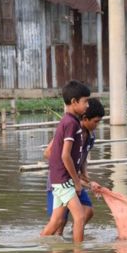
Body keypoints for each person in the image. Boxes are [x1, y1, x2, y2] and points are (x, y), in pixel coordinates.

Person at [40, 80, 93, 243]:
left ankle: (39, 244)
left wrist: (83, 179)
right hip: (64, 180)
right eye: (85, 101)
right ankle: (78, 252)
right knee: (79, 217)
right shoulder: (70, 123)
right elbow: (65, 156)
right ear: (74, 102)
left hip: (59, 179)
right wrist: (76, 182)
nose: (87, 106)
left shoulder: (70, 121)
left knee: (56, 220)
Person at [43, 98, 105, 235]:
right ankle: (56, 247)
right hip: (61, 180)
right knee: (60, 221)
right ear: (84, 118)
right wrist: (66, 169)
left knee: (87, 211)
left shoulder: (90, 137)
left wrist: (87, 180)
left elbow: (83, 160)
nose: (97, 125)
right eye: (95, 121)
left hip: (75, 179)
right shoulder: (71, 129)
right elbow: (48, 153)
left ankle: (74, 235)